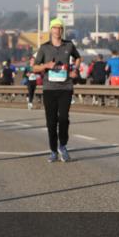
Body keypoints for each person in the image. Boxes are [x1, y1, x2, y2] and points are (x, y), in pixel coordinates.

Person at [32, 19, 81, 163]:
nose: (57, 31)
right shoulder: (44, 48)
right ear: (51, 30)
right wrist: (46, 65)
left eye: (60, 28)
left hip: (66, 87)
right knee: (51, 122)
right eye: (55, 28)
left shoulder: (69, 45)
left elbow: (78, 58)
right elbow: (34, 67)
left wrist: (75, 69)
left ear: (62, 30)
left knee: (64, 118)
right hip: (49, 88)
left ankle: (63, 146)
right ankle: (53, 150)